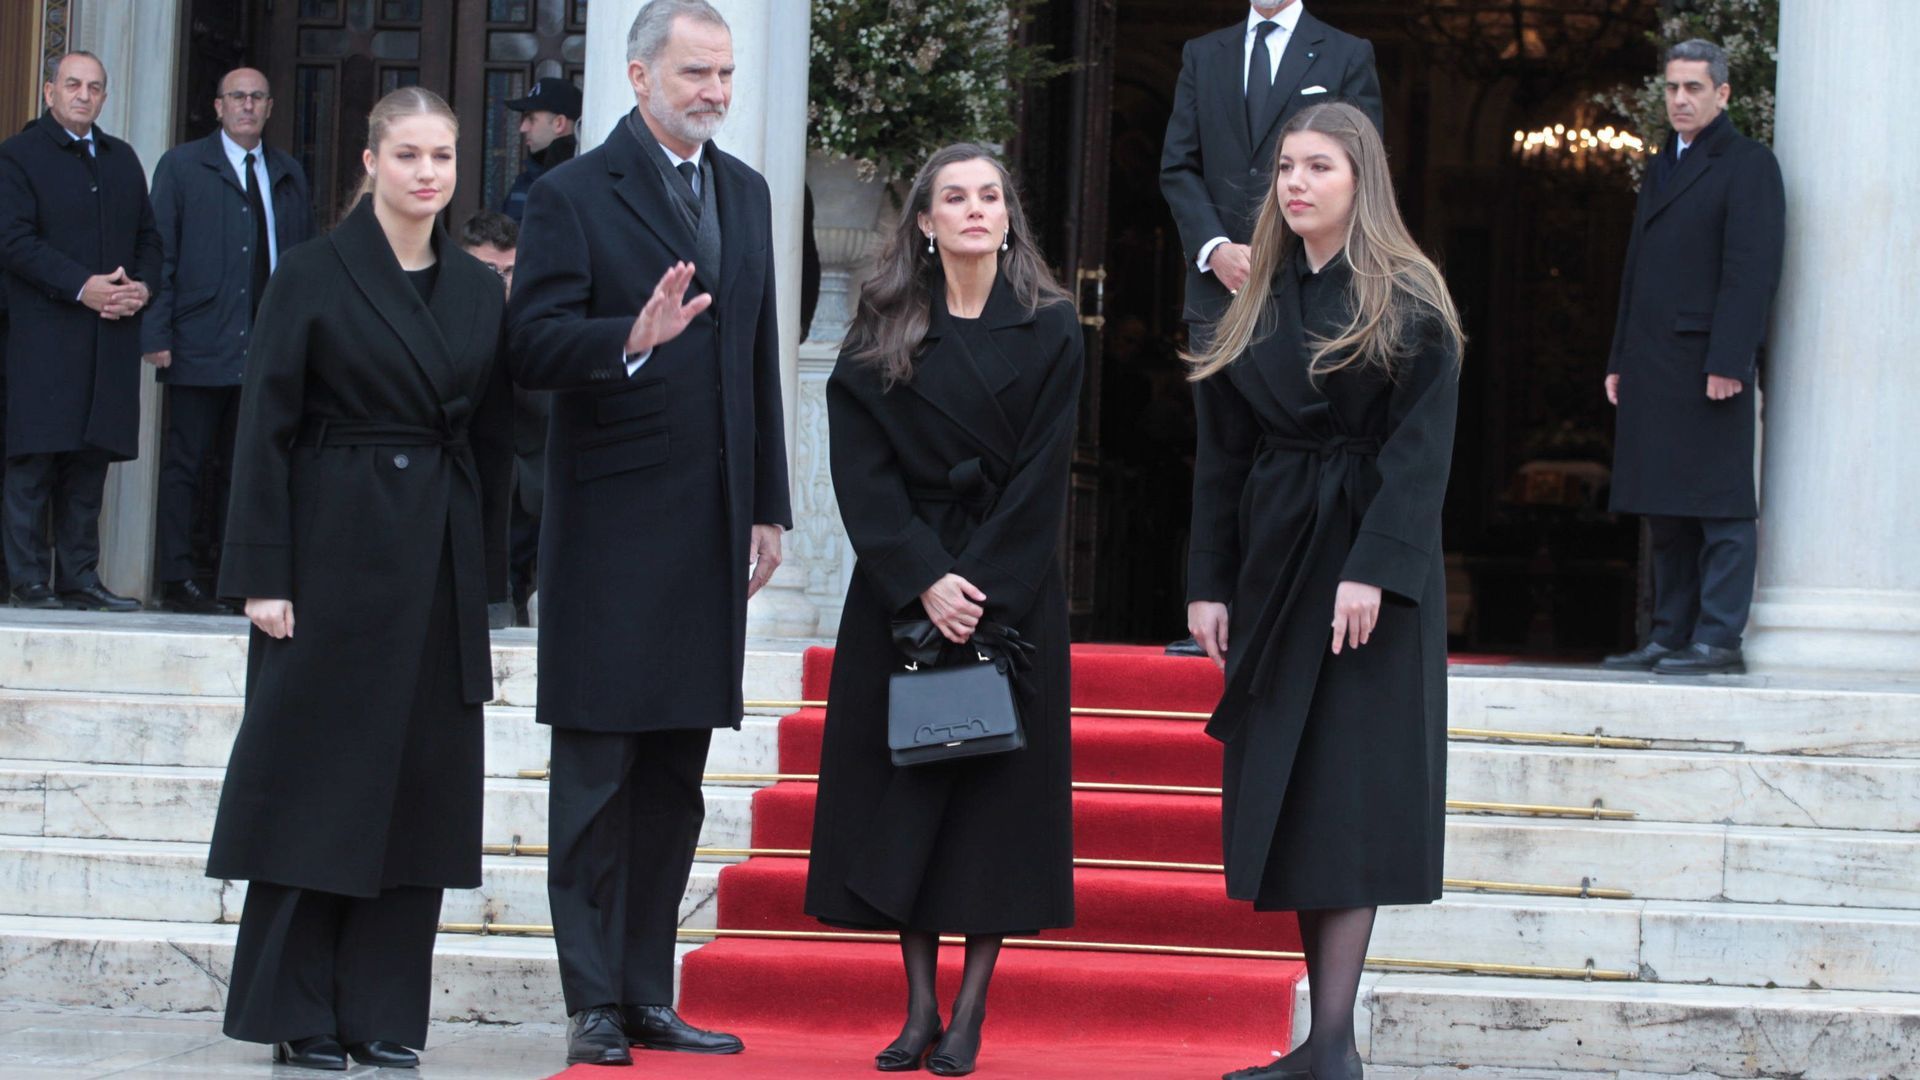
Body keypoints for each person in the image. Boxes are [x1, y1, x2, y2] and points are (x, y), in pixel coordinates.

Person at [506, 0, 791, 1066]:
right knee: (597, 782)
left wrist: (770, 502)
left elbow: (754, 351)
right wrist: (625, 335)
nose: (717, 91)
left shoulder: (749, 193)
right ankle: (590, 1002)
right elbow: (529, 344)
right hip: (612, 536)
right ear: (636, 78)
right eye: (697, 74)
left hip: (712, 530)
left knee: (673, 779)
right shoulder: (573, 195)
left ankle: (644, 992)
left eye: (725, 73)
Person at [206, 86, 512, 1071]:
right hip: (328, 559)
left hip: (435, 566)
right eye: (410, 155)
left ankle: (385, 1015)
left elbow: (498, 440)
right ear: (372, 163)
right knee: (314, 790)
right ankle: (300, 1014)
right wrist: (262, 574)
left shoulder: (475, 289)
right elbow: (266, 429)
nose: (428, 174)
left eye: (444, 158)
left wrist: (488, 577)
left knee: (417, 796)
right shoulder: (311, 273)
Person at [1184, 102, 1463, 1080]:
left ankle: (1334, 1043)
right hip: (1274, 563)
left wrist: (1375, 569)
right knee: (1297, 797)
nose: (1297, 184)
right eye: (1287, 169)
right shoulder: (1252, 297)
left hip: (1365, 578)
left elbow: (1419, 456)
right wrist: (1207, 584)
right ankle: (1324, 1045)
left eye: (1320, 168)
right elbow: (1221, 454)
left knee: (1349, 797)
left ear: (1360, 181)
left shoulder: (1409, 297)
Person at [804, 143, 1081, 1077]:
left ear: (1009, 219)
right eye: (953, 197)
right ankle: (918, 1009)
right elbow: (860, 469)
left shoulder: (1052, 328)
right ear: (923, 221)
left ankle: (969, 1014)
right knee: (910, 790)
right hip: (905, 596)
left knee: (996, 807)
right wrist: (924, 577)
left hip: (1010, 598)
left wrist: (983, 589)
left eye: (989, 197)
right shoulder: (881, 323)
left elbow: (1045, 478)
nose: (973, 210)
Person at [1159, 1, 1382, 654]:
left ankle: (1301, 598)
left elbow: (1362, 163)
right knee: (1222, 447)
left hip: (1312, 286)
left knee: (1305, 446)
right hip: (1221, 287)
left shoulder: (1346, 52)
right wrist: (1215, 250)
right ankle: (1215, 601)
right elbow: (1179, 165)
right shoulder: (1204, 54)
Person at [1600, 39, 1784, 677]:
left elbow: (1750, 271)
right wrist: (1620, 356)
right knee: (1666, 508)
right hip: (1653, 362)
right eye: (1673, 88)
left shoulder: (1749, 165)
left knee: (1720, 506)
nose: (1680, 99)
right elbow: (1637, 272)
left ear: (1723, 94)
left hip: (1710, 364)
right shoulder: (1661, 164)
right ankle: (1667, 634)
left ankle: (1717, 639)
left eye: (1694, 88)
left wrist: (1732, 361)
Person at [142, 67, 313, 615]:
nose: (247, 106)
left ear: (269, 107)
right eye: (236, 97)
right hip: (198, 338)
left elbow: (303, 264)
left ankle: (233, 576)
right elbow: (159, 253)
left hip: (266, 347)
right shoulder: (183, 166)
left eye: (257, 97)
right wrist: (157, 330)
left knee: (250, 465)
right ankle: (177, 577)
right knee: (187, 463)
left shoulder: (286, 172)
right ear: (217, 107)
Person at [0, 51, 161, 611]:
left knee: (89, 468)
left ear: (104, 97)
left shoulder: (121, 159)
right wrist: (81, 286)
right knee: (34, 463)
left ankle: (80, 577)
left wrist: (141, 288)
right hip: (43, 339)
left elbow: (148, 237)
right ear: (49, 92)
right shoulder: (17, 156)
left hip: (108, 339)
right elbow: (13, 241)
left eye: (95, 87)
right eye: (72, 85)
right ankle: (27, 580)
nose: (83, 95)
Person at [461, 210, 543, 627]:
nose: (500, 282)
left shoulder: (538, 324)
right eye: (488, 270)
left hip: (535, 493)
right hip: (473, 493)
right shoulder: (448, 322)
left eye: (510, 271)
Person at [500, 76, 581, 224]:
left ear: (559, 123)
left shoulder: (583, 179)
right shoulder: (527, 178)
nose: (522, 128)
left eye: (531, 119)